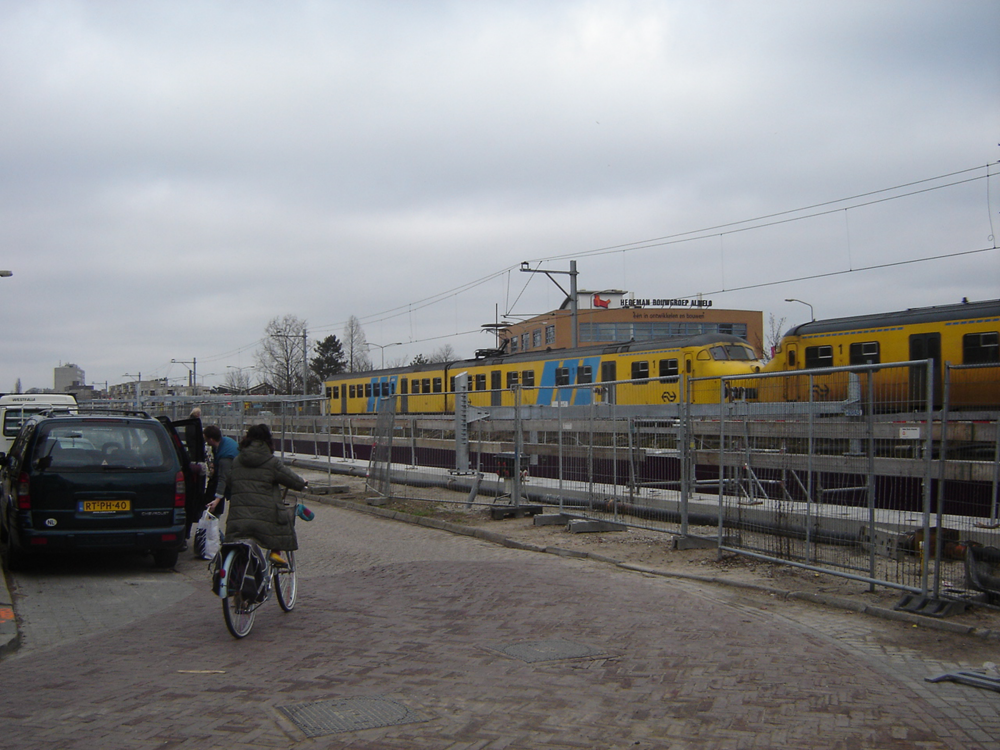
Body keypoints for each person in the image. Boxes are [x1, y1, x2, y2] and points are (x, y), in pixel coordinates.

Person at [224, 424, 307, 566]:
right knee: (282, 522)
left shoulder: (237, 461)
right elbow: (292, 479)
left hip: (238, 519)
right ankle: (275, 552)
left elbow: (230, 483)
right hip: (265, 520)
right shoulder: (271, 462)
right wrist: (303, 483)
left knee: (240, 543)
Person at [203, 425, 238, 517]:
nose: (206, 442)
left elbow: (223, 478)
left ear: (211, 439)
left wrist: (216, 500)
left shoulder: (225, 457)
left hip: (238, 485)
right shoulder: (225, 441)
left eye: (206, 440)